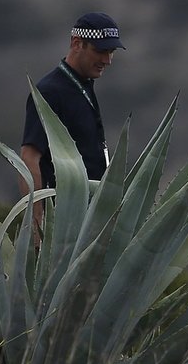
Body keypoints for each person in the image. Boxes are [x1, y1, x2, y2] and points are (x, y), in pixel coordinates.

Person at [19, 12, 125, 229]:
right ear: (77, 43)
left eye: (111, 52)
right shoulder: (50, 92)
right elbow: (29, 158)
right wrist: (37, 224)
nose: (107, 60)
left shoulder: (84, 84)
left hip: (89, 222)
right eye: (100, 51)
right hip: (62, 227)